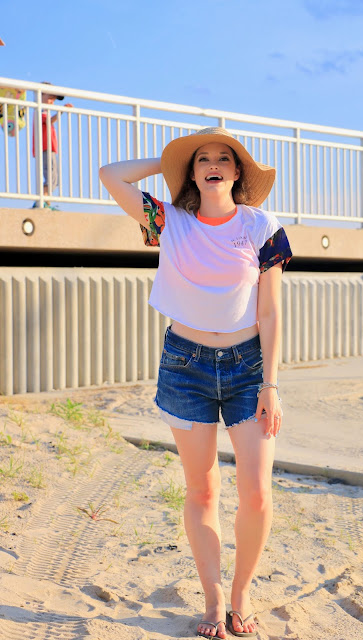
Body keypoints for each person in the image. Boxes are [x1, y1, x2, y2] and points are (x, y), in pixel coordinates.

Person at [99, 127, 292, 638]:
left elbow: (270, 313)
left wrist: (271, 385)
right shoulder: (168, 221)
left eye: (223, 158)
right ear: (191, 172)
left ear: (237, 172)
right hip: (186, 365)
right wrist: (168, 161)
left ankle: (241, 595)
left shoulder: (261, 226)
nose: (212, 164)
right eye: (201, 159)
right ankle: (211, 603)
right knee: (202, 488)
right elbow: (110, 175)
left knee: (254, 494)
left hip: (249, 367)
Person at [32, 81, 73, 210]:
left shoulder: (44, 111)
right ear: (41, 95)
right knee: (50, 176)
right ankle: (42, 201)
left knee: (54, 178)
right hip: (45, 148)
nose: (51, 102)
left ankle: (46, 203)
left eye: (54, 100)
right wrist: (61, 112)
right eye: (50, 98)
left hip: (49, 148)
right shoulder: (40, 110)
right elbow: (49, 121)